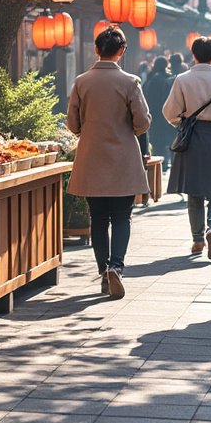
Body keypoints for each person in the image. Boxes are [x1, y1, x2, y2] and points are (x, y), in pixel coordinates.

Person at [67, 27, 152, 299]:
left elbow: (72, 123)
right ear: (122, 50)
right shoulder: (130, 82)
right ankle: (117, 265)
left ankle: (104, 270)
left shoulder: (82, 81)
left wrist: (87, 131)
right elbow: (142, 122)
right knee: (122, 216)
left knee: (99, 218)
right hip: (123, 158)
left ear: (96, 49)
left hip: (92, 157)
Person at [163, 37, 211, 259]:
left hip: (192, 138)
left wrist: (183, 121)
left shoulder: (182, 79)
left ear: (193, 55)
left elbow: (169, 112)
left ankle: (197, 240)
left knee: (194, 192)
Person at [141, 56, 176, 158]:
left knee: (158, 146)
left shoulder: (152, 79)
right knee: (170, 143)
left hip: (155, 116)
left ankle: (159, 169)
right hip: (170, 115)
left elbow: (147, 98)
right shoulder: (171, 79)